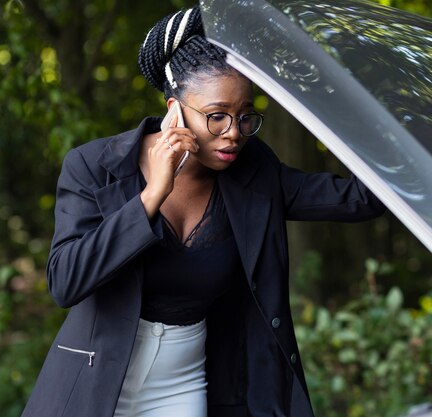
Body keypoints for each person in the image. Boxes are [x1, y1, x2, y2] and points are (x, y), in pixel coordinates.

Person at [22, 6, 386, 417]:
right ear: (175, 110)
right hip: (94, 387)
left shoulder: (255, 173)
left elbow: (363, 197)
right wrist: (151, 196)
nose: (234, 132)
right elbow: (65, 281)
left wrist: (352, 105)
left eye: (246, 117)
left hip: (184, 387)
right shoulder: (93, 166)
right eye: (216, 117)